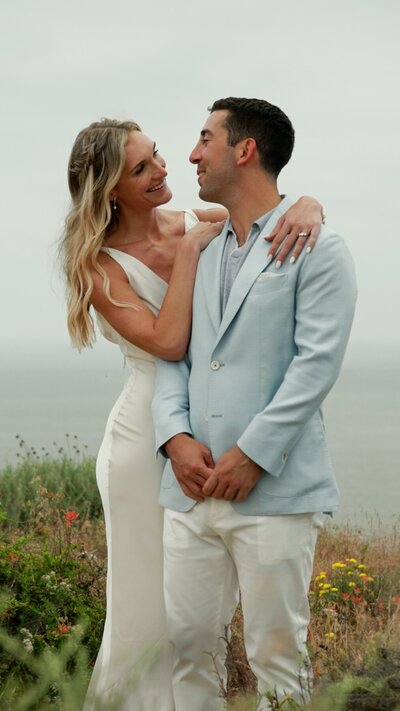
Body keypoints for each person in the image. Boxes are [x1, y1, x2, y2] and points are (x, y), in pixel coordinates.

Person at [59, 117, 325, 710]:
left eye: (155, 156)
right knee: (144, 603)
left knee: (192, 612)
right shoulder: (100, 266)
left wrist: (309, 203)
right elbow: (170, 342)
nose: (163, 170)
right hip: (140, 443)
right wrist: (186, 252)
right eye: (142, 168)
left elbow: (261, 214)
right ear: (109, 190)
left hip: (195, 426)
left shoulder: (191, 223)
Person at [152, 98, 357, 711]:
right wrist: (174, 438)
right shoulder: (199, 247)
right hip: (189, 491)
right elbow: (175, 352)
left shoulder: (319, 246)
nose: (191, 153)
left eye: (205, 138)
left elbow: (316, 365)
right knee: (189, 650)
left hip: (272, 489)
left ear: (245, 150)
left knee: (277, 657)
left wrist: (254, 454)